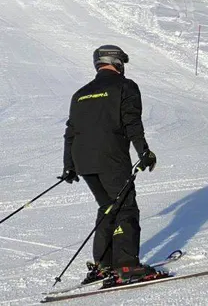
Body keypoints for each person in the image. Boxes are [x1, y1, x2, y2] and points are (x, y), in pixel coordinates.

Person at [59, 45, 162, 286]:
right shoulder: (125, 86)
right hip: (111, 158)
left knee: (107, 207)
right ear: (116, 62)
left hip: (84, 162)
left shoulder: (80, 94)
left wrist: (69, 166)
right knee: (125, 207)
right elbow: (132, 123)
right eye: (122, 62)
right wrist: (144, 152)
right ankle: (127, 266)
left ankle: (103, 265)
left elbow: (71, 132)